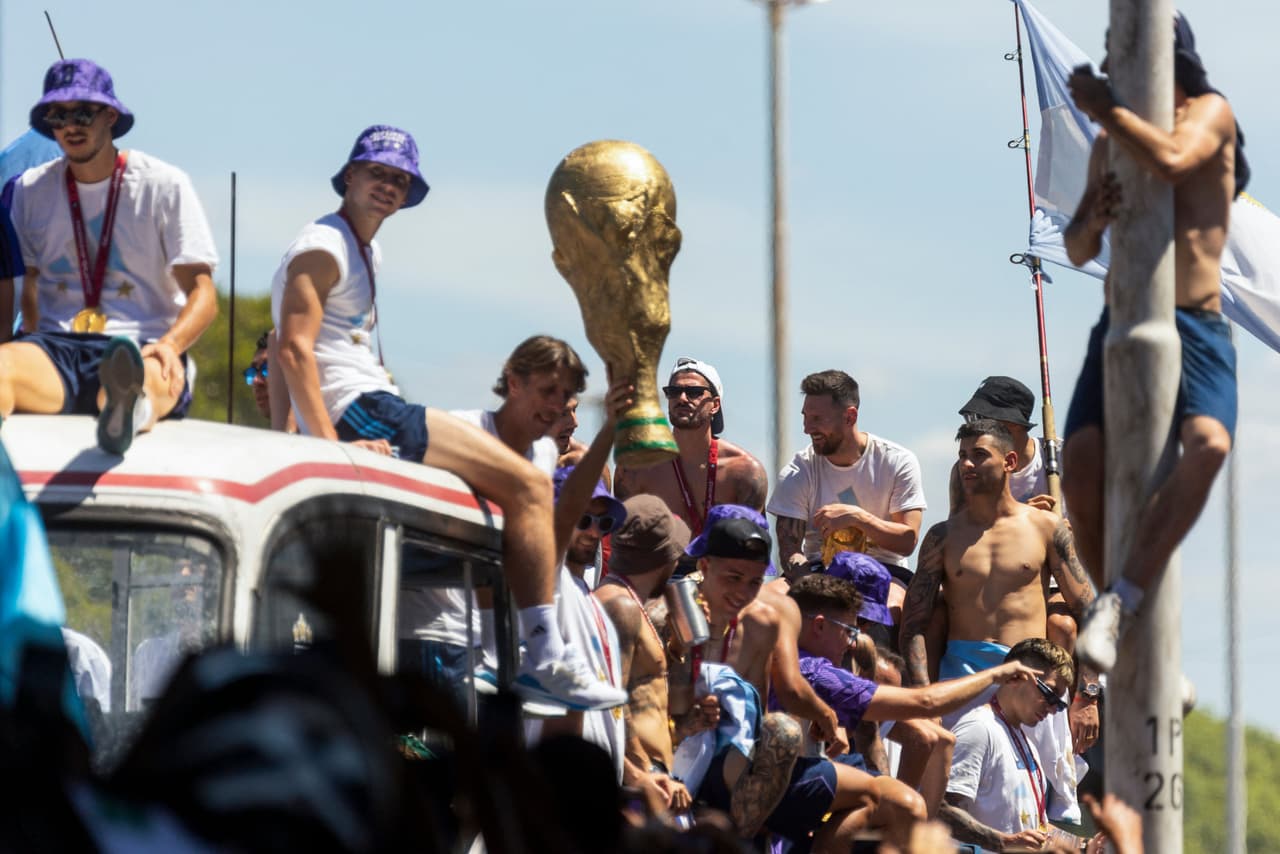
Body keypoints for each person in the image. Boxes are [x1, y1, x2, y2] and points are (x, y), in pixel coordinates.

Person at [271, 126, 622, 711]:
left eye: (398, 179)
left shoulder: (361, 249)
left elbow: (288, 343)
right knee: (530, 483)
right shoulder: (324, 245)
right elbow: (291, 349)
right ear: (349, 176)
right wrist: (326, 446)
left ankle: (531, 651)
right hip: (364, 410)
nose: (387, 186)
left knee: (506, 496)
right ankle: (545, 655)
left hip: (363, 409)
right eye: (376, 173)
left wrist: (290, 437)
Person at [1063, 12, 1246, 673]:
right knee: (1080, 461)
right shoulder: (1109, 142)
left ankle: (1124, 597)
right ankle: (1116, 605)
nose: (1118, 63)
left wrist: (1107, 108)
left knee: (1211, 444)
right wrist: (1092, 216)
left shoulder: (1210, 112)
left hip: (1194, 323)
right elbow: (1079, 248)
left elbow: (1172, 161)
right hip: (1120, 321)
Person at [671, 507, 926, 849]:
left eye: (753, 579)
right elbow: (925, 723)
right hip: (699, 762)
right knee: (792, 739)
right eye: (854, 622)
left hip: (748, 763)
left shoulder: (773, 624)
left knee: (878, 795)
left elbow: (872, 738)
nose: (859, 632)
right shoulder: (686, 609)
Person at [0, 59, 219, 454]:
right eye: (57, 115)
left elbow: (203, 292)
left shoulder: (163, 183)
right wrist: (23, 342)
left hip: (142, 346)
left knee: (136, 379)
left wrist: (171, 345)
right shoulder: (28, 190)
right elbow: (27, 285)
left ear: (110, 115)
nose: (70, 125)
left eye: (82, 112)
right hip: (56, 350)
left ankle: (125, 412)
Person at [900, 420, 1099, 817]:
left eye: (979, 455)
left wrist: (1087, 696)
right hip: (962, 680)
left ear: (1009, 461)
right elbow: (914, 625)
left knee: (1026, 808)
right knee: (949, 805)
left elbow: (1090, 611)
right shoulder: (942, 536)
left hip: (1031, 684)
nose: (967, 465)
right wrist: (925, 700)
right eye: (962, 457)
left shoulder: (1046, 528)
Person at [788, 573, 1043, 819]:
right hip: (793, 786)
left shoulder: (802, 661)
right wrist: (995, 675)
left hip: (805, 777)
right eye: (849, 631)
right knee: (905, 804)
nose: (853, 641)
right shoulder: (817, 672)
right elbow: (926, 703)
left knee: (894, 802)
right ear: (819, 625)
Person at [768, 370, 927, 625]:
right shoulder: (800, 469)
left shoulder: (897, 461)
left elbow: (908, 540)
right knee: (765, 602)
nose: (807, 428)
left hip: (883, 569)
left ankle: (880, 664)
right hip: (819, 570)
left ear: (850, 416)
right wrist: (810, 584)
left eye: (817, 418)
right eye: (805, 417)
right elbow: (790, 550)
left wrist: (858, 518)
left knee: (889, 608)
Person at [952, 375, 1077, 651]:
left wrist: (1065, 529)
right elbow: (958, 533)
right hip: (991, 579)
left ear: (1010, 427)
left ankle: (1074, 691)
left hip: (1054, 576)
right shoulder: (969, 469)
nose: (974, 427)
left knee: (1062, 627)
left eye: (981, 419)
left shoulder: (1062, 457)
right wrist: (1021, 519)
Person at [594, 494, 694, 815]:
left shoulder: (627, 602)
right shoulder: (620, 606)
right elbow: (611, 702)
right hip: (641, 783)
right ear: (664, 558)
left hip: (652, 777)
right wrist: (642, 774)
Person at [940, 638, 1080, 852]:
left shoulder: (1026, 743)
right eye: (1049, 694)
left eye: (1059, 704)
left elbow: (1034, 829)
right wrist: (1003, 842)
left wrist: (1084, 846)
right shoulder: (979, 729)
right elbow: (942, 812)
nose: (1053, 709)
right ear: (1015, 676)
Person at [616, 357, 768, 536]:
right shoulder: (636, 468)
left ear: (715, 405)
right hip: (662, 563)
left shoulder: (745, 471)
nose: (681, 398)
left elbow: (752, 550)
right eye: (673, 391)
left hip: (721, 563)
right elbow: (623, 543)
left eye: (694, 392)